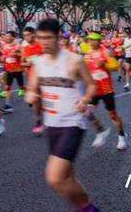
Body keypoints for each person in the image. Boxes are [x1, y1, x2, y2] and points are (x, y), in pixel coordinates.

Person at [25, 19, 100, 212]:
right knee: (67, 177)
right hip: (52, 124)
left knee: (54, 177)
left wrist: (85, 100)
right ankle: (84, 208)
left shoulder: (74, 60)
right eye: (40, 38)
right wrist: (30, 95)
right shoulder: (38, 63)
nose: (44, 42)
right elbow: (31, 88)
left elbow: (92, 85)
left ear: (58, 37)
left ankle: (88, 209)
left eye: (48, 38)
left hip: (73, 123)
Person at [84, 32, 127, 150]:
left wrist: (104, 65)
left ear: (99, 41)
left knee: (112, 115)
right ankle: (100, 131)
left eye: (93, 40)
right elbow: (84, 69)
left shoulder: (106, 52)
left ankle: (121, 136)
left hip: (106, 89)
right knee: (88, 112)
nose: (91, 42)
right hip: (94, 89)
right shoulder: (88, 54)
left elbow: (115, 66)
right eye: (89, 40)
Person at [21, 27, 45, 135]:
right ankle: (38, 121)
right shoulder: (25, 48)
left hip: (45, 76)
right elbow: (22, 62)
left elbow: (48, 58)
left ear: (33, 34)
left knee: (46, 99)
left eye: (28, 35)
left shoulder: (41, 45)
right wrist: (27, 64)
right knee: (36, 100)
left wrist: (38, 61)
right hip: (33, 77)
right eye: (24, 35)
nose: (26, 37)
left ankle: (50, 119)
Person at [0, 31, 24, 114]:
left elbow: (23, 55)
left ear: (13, 37)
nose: (7, 37)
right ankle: (8, 105)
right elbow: (2, 56)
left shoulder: (17, 46)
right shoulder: (4, 46)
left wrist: (17, 54)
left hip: (18, 70)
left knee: (22, 87)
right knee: (7, 87)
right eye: (6, 36)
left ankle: (32, 97)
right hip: (9, 70)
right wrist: (2, 59)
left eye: (9, 36)